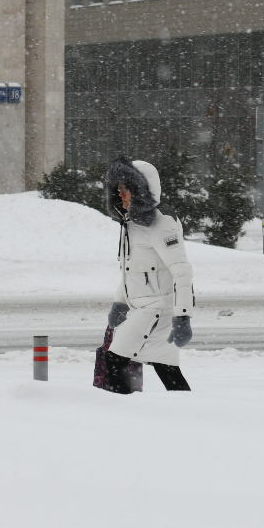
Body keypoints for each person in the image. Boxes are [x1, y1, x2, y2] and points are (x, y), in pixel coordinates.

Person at [99, 157, 195, 393]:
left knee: (114, 360)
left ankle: (125, 412)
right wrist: (119, 304)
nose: (121, 195)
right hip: (141, 309)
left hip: (156, 310)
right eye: (118, 190)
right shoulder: (129, 225)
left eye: (126, 190)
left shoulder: (162, 224)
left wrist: (182, 317)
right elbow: (128, 270)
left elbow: (182, 271)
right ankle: (188, 411)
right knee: (167, 369)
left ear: (142, 190)